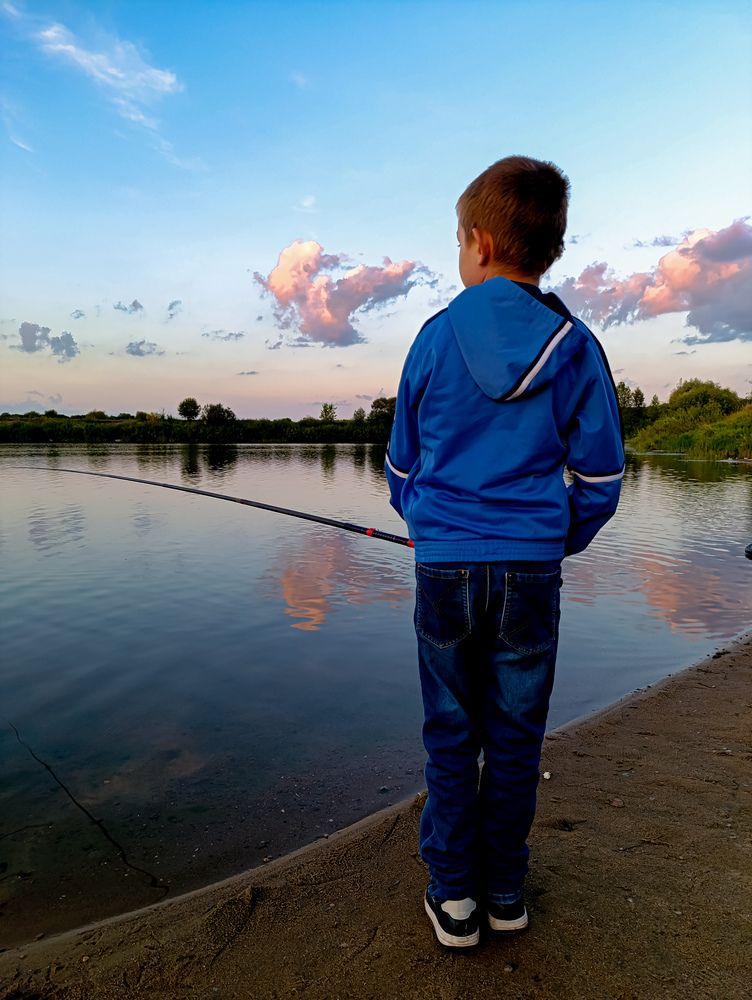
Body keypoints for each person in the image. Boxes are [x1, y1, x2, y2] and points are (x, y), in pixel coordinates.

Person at [385, 156, 624, 948]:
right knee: (516, 735)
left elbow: (400, 468)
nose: (460, 255)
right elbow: (600, 479)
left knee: (450, 731)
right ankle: (506, 892)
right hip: (530, 570)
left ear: (480, 243)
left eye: (458, 242)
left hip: (444, 566)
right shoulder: (577, 346)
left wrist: (425, 525)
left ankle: (454, 897)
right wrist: (554, 539)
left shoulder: (431, 338)